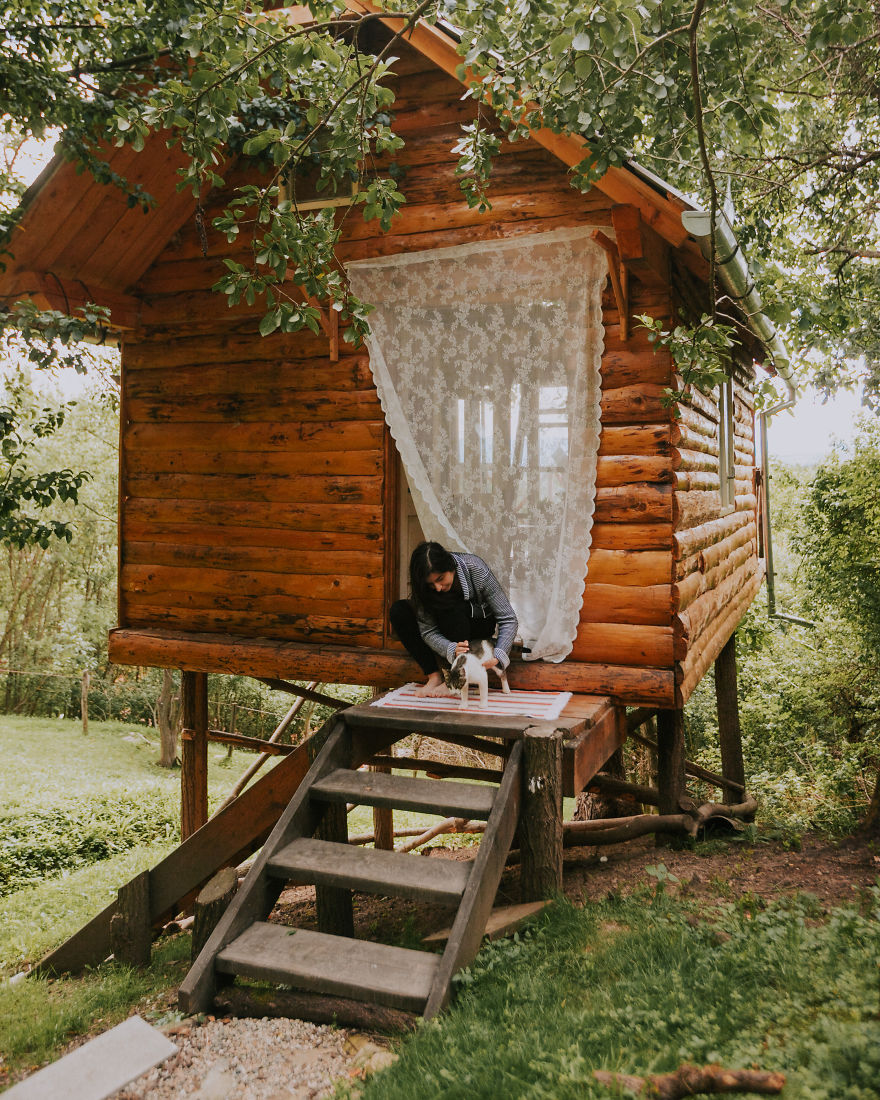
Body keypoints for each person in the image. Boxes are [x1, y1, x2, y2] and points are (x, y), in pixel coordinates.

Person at [389, 541, 518, 697]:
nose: (437, 587)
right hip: (447, 629)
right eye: (431, 584)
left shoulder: (476, 569)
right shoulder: (426, 589)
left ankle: (454, 675)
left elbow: (508, 618)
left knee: (451, 604)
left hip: (477, 624)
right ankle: (434, 676)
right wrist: (449, 648)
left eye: (440, 578)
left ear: (451, 566)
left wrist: (499, 654)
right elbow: (428, 630)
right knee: (399, 610)